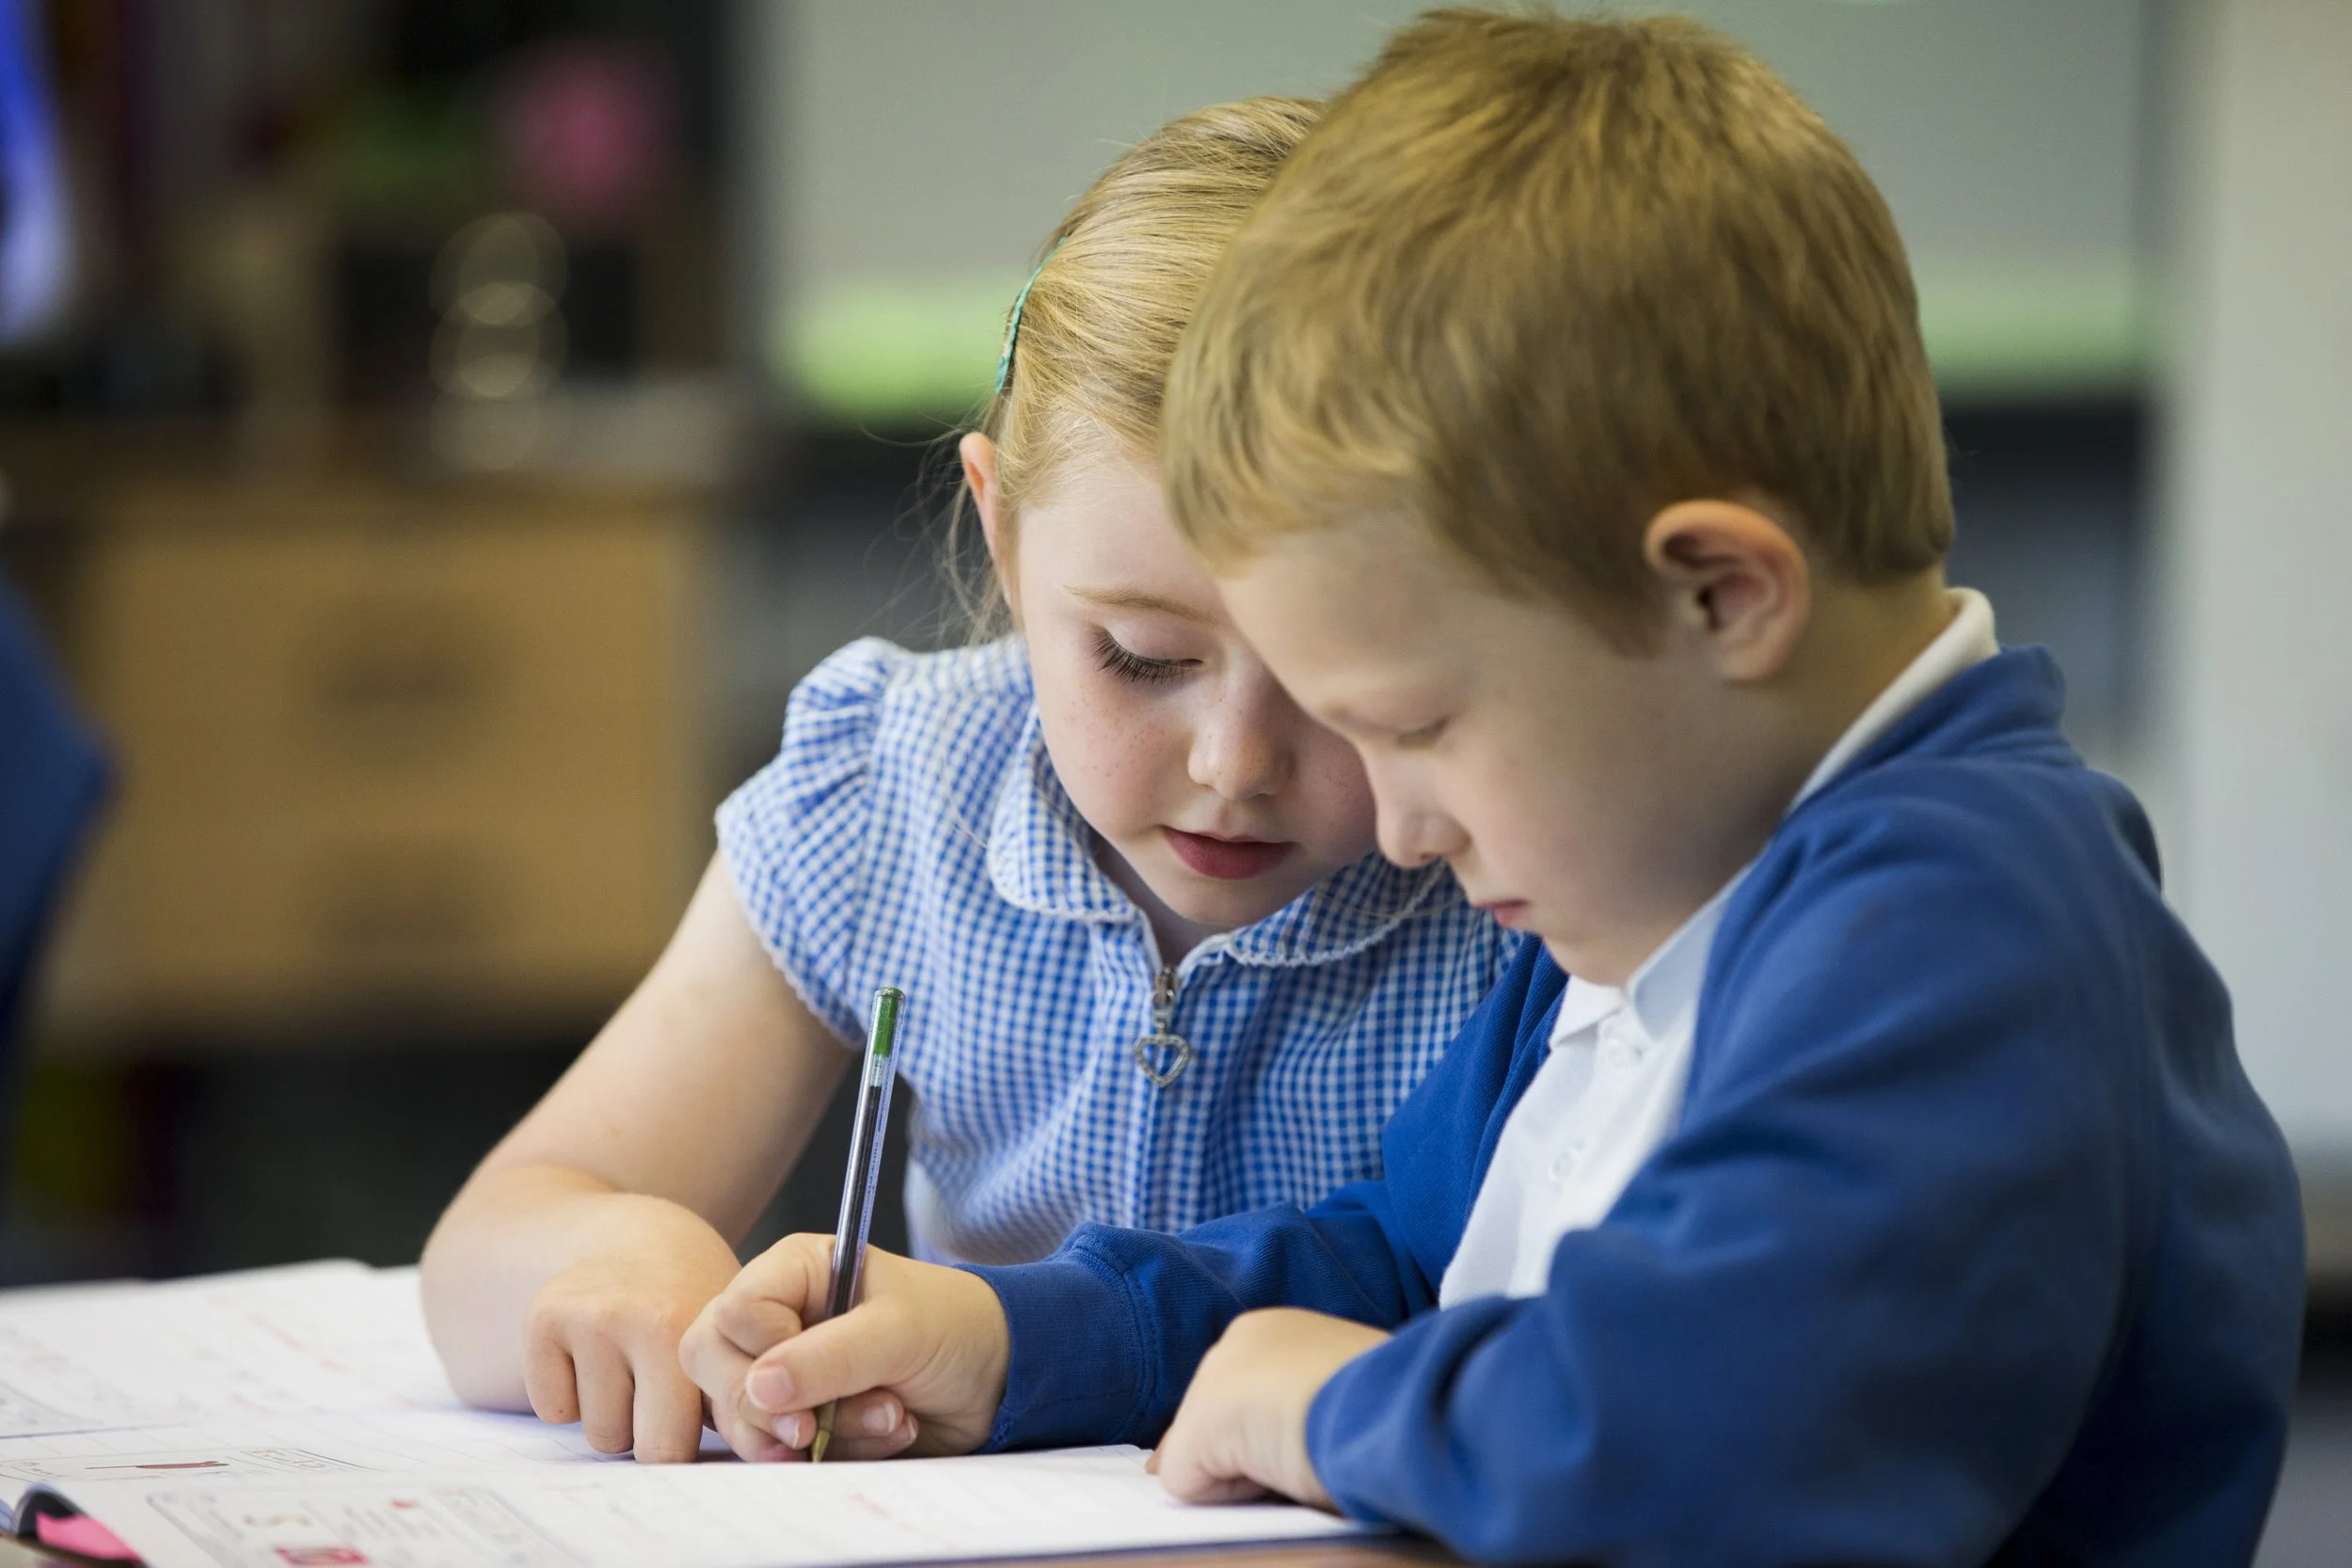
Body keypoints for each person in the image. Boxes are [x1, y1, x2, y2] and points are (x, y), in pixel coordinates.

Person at [676, 12, 2307, 1563]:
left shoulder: (1967, 927)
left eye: (1423, 723)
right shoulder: (1670, 878)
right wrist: (1024, 1333)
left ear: (1720, 599)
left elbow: (1710, 1437)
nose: (1399, 826)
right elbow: (1396, 1259)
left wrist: (1336, 1407)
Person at [419, 97, 1516, 1467]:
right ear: (1004, 538)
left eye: (1335, 676)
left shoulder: (1520, 871)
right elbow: (482, 1245)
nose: (1235, 763)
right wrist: (620, 1246)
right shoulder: (897, 788)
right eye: (1140, 656)